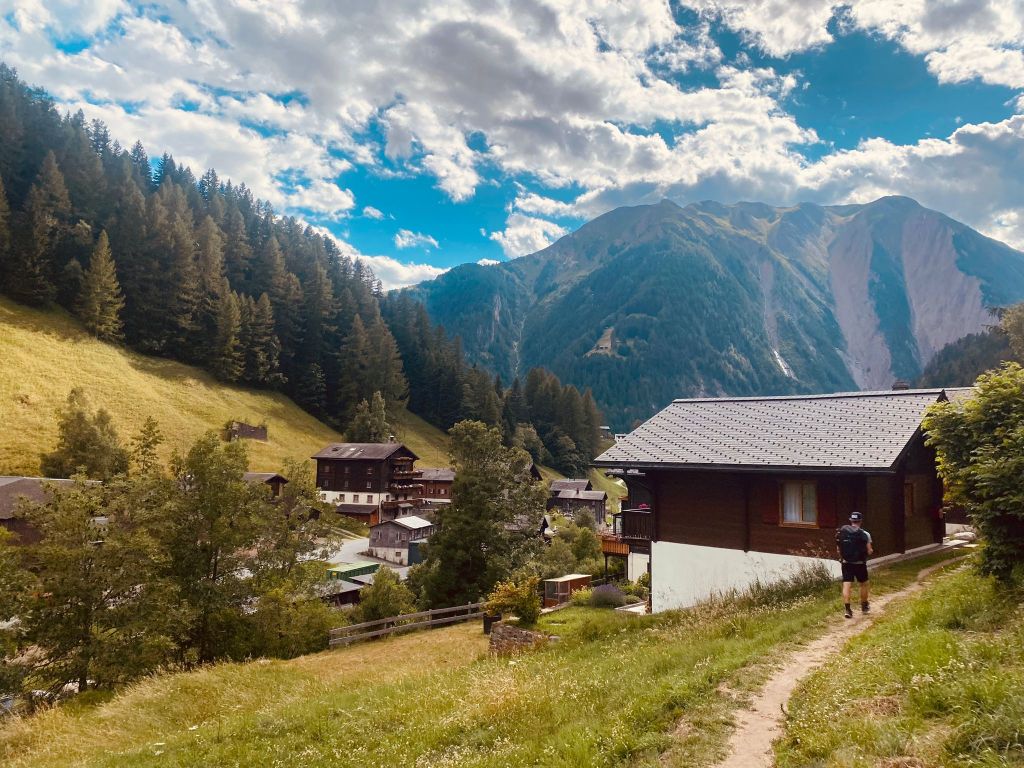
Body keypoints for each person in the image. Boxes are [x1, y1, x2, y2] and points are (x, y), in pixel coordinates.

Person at [836, 511, 873, 618]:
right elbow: (869, 550)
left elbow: (838, 550)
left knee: (847, 585)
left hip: (846, 563)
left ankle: (848, 610)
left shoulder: (842, 533)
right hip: (860, 563)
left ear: (851, 520)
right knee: (864, 584)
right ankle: (864, 606)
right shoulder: (865, 534)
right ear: (860, 521)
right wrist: (866, 553)